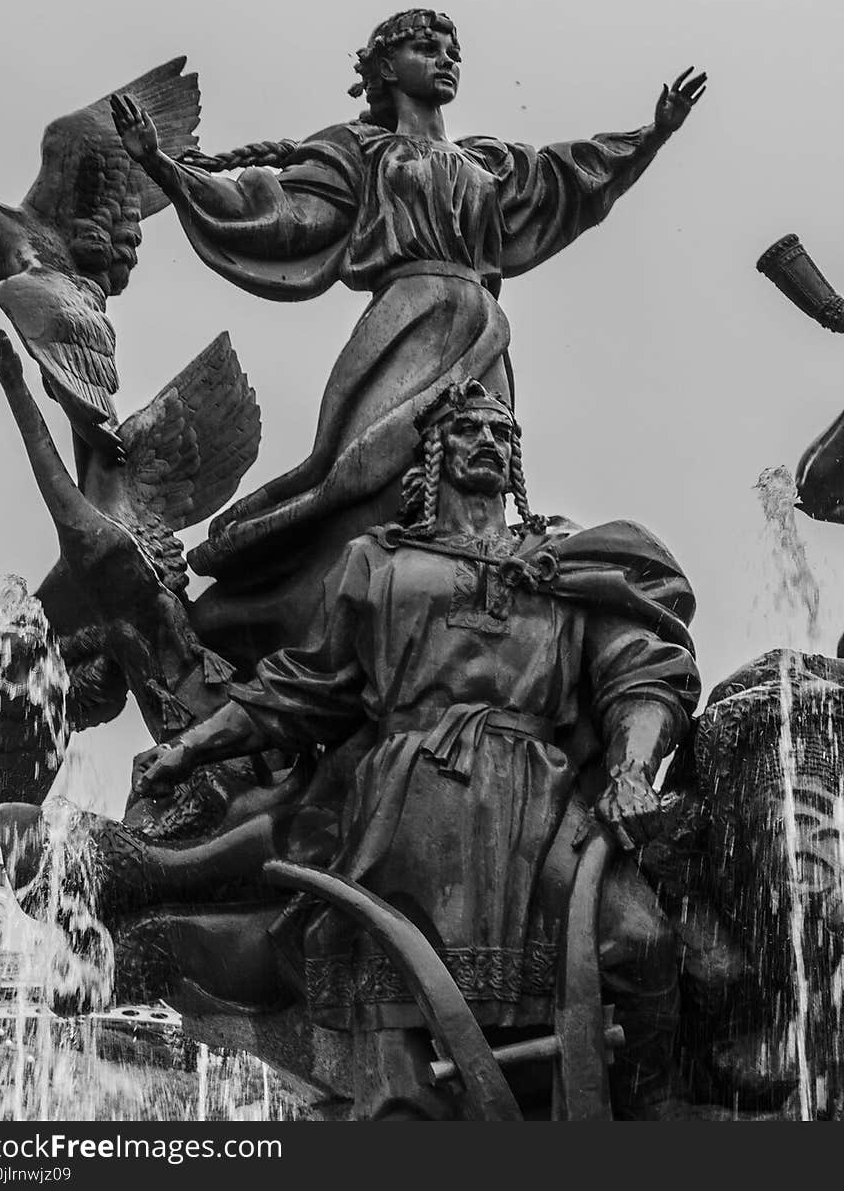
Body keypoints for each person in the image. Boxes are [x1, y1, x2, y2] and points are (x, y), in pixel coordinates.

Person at [135, 378, 701, 1118]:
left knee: (641, 939)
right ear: (434, 452)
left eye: (503, 431)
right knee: (402, 990)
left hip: (543, 801)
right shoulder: (378, 562)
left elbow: (639, 673)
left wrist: (631, 769)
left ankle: (652, 1112)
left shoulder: (566, 563)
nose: (491, 441)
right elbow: (304, 688)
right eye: (471, 430)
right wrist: (193, 749)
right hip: (409, 801)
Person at [111, 10, 706, 655]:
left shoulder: (487, 162)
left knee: (474, 490)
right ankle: (292, 633)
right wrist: (167, 170)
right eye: (428, 47)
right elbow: (286, 216)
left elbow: (571, 180)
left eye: (454, 49)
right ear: (385, 68)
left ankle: (462, 641)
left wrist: (653, 135)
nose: (447, 57)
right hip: (404, 319)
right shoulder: (357, 152)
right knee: (360, 488)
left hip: (482, 329)